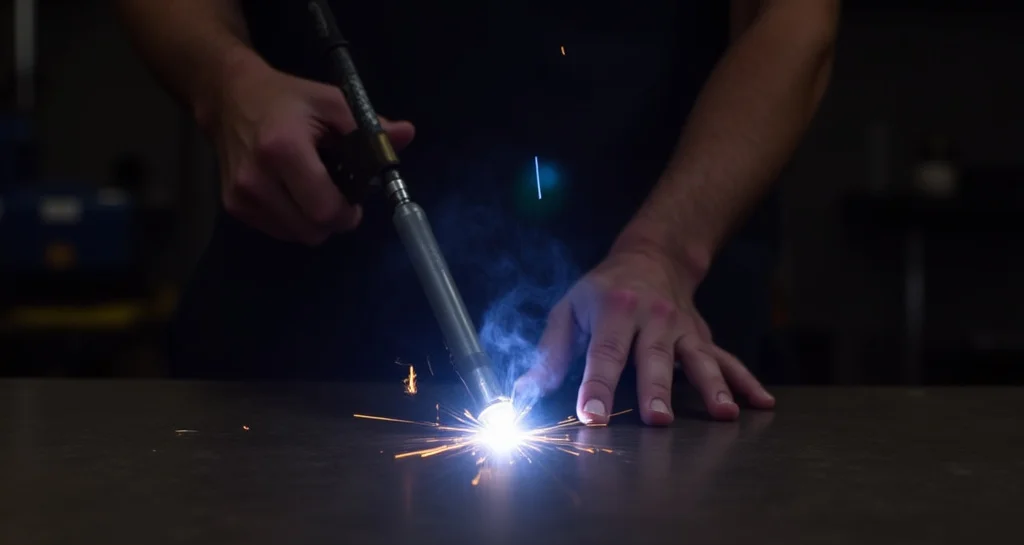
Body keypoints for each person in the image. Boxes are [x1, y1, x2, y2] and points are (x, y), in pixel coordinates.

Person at [117, 0, 838, 426]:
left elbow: (791, 17)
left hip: (650, 337)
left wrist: (666, 248)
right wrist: (224, 78)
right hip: (293, 320)